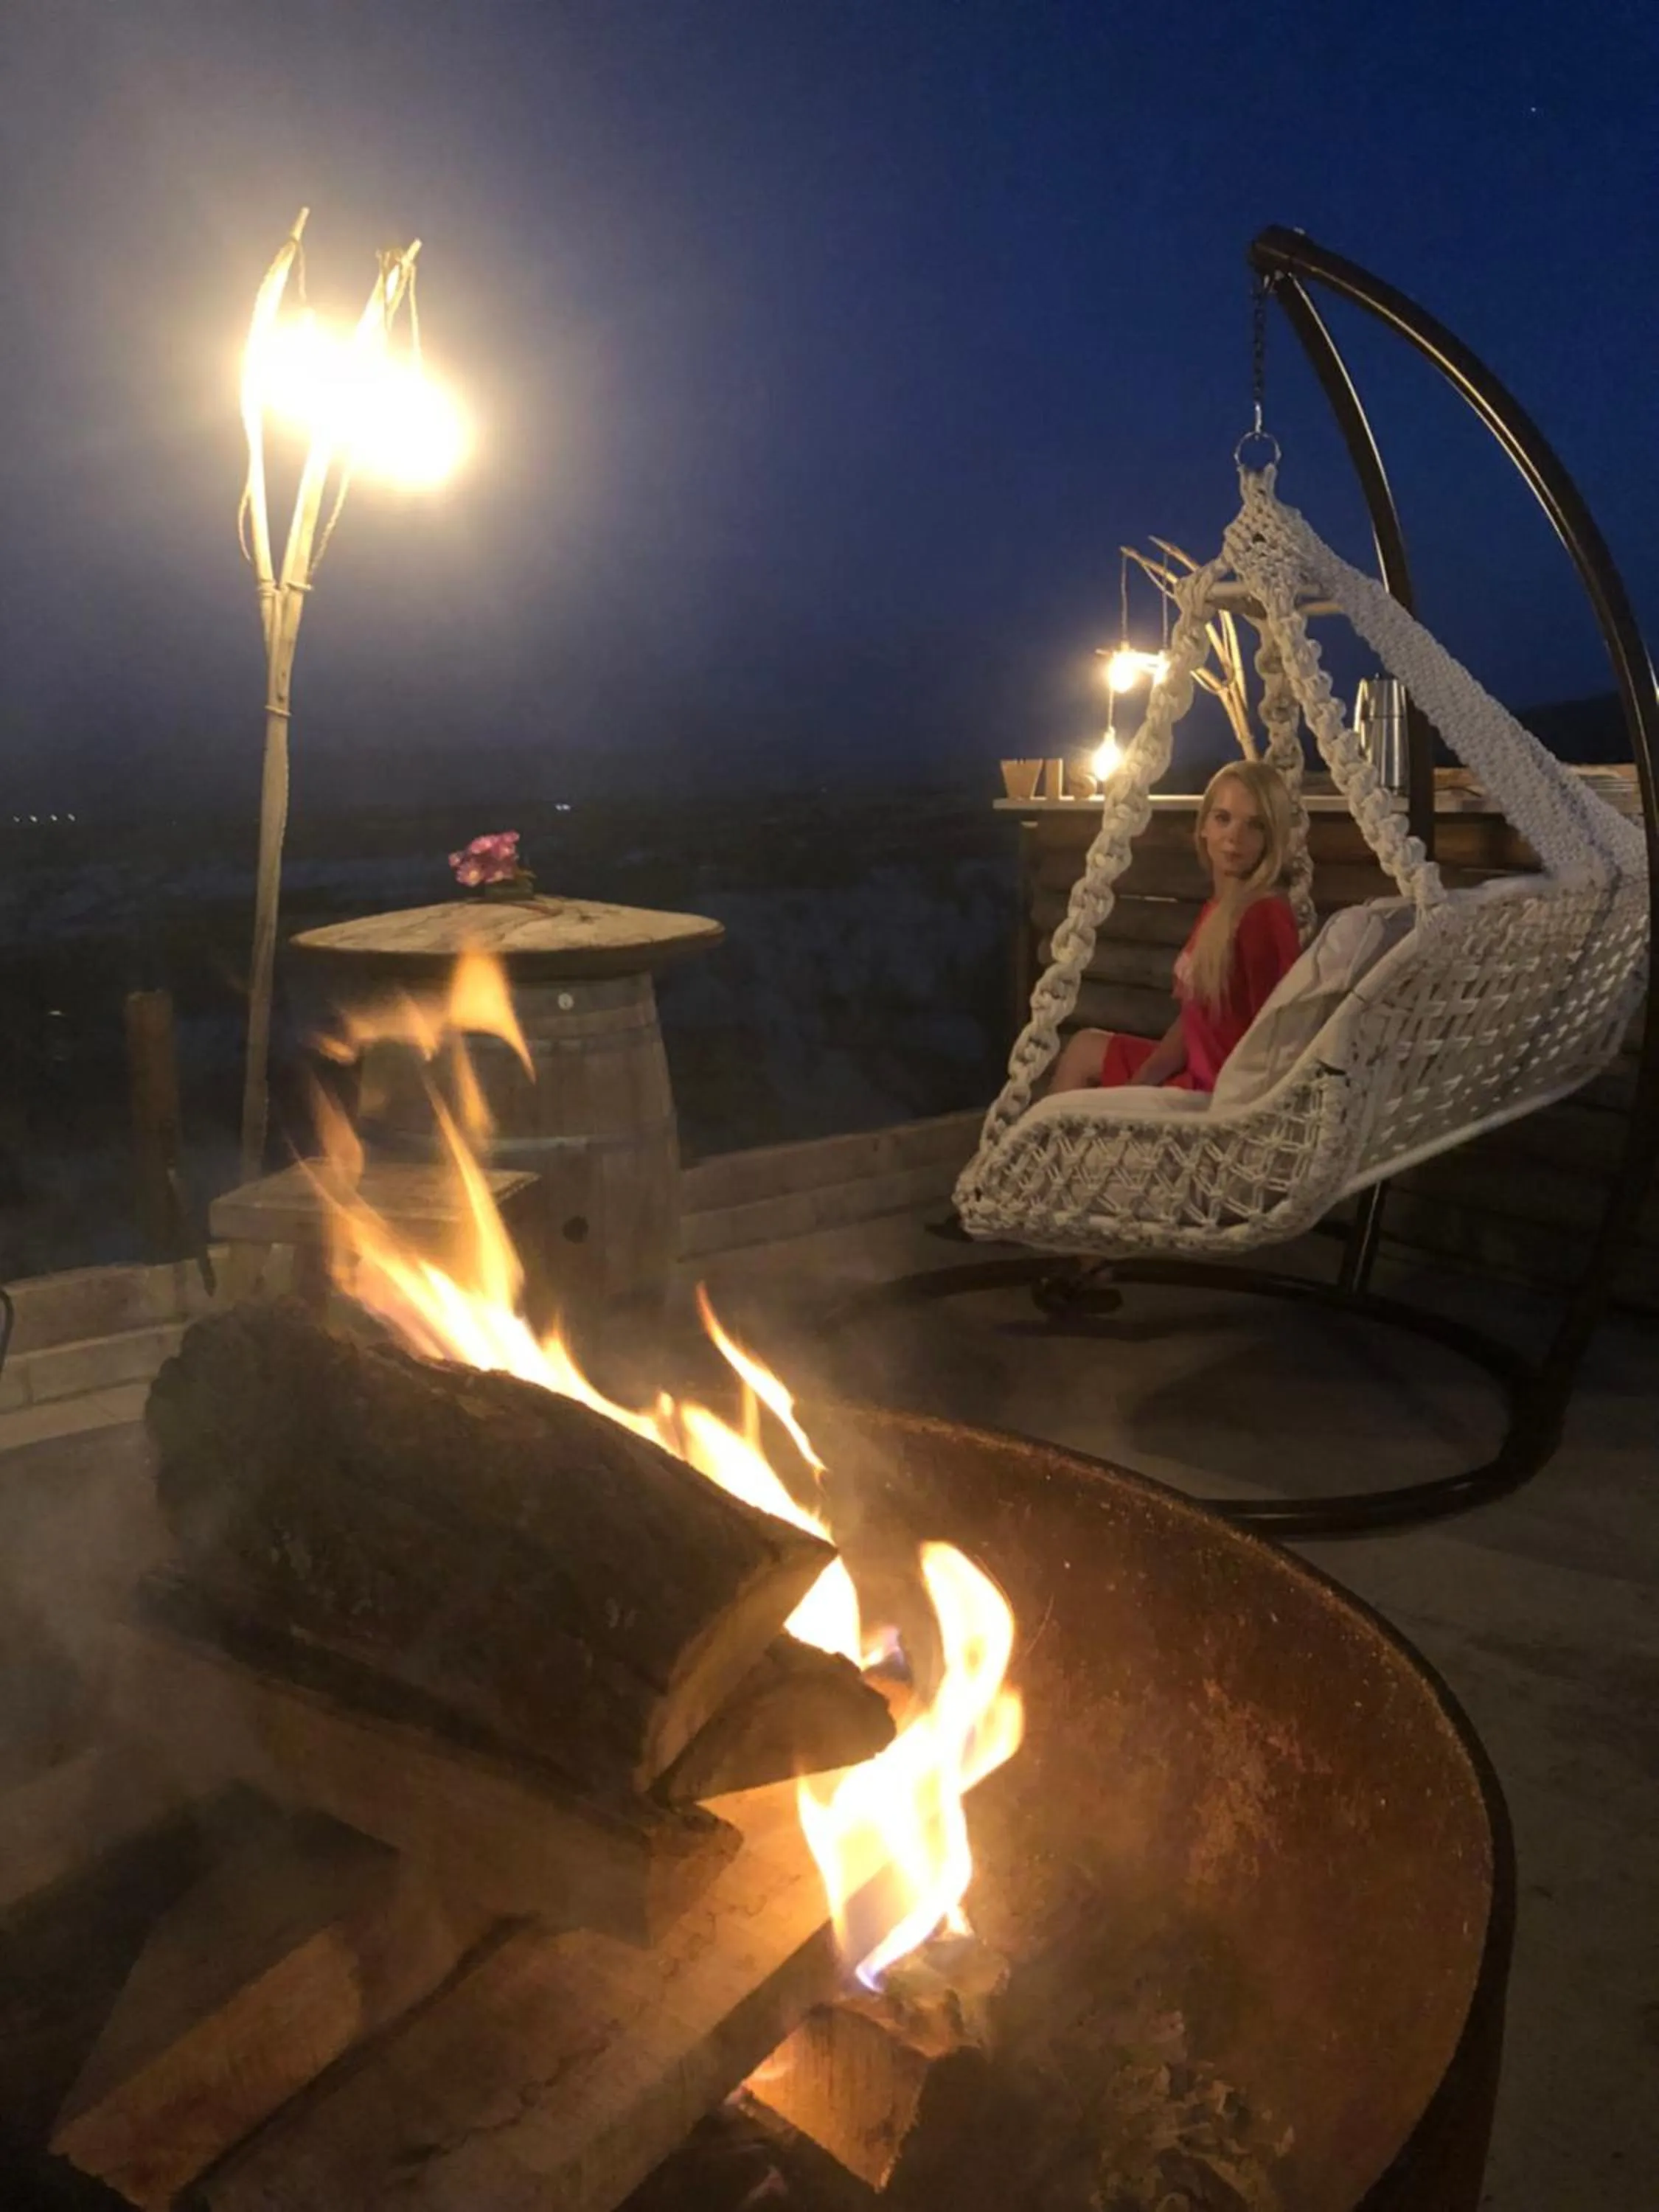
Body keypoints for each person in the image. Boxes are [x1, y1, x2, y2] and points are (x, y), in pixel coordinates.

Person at [1047, 759, 1301, 1096]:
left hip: (1216, 1097)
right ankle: (1045, 1147)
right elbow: (1192, 1021)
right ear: (1204, 827)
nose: (1234, 838)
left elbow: (1279, 1033)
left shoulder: (1262, 917)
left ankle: (1045, 1147)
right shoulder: (1220, 909)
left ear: (1272, 838)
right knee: (1083, 1049)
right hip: (1194, 1069)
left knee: (1074, 1085)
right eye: (1223, 818)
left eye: (1255, 825)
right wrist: (1141, 1082)